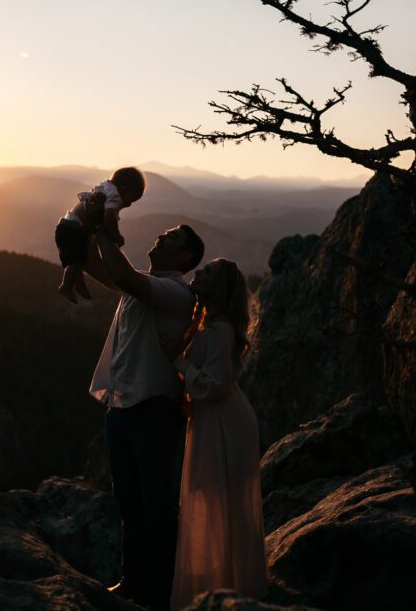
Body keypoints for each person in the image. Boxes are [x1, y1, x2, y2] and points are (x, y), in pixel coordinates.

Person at [83, 215, 205, 610]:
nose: (160, 236)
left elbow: (125, 276)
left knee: (155, 504)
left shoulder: (174, 292)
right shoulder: (146, 286)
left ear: (184, 255)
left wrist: (103, 231)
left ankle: (161, 590)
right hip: (122, 406)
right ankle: (133, 581)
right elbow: (102, 268)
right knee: (129, 502)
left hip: (153, 409)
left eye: (170, 237)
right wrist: (82, 222)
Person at [166, 259, 268, 608]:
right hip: (214, 418)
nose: (197, 274)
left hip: (223, 420)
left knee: (216, 499)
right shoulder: (211, 326)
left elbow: (216, 385)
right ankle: (218, 584)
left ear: (220, 287)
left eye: (207, 273)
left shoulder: (221, 329)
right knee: (212, 499)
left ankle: (226, 587)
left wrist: (179, 363)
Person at [55, 167, 146, 303]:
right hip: (74, 230)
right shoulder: (115, 197)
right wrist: (116, 236)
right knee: (78, 261)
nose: (129, 204)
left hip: (68, 225)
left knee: (78, 260)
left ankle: (79, 284)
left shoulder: (106, 188)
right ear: (124, 190)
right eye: (131, 200)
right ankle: (66, 286)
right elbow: (109, 216)